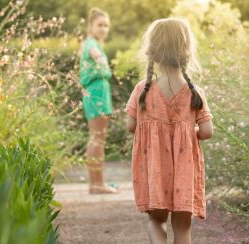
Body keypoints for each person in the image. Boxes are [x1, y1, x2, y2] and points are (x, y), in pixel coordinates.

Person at [124, 17, 214, 244]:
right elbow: (207, 131)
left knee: (156, 221)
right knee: (183, 227)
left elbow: (130, 126)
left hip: (155, 170)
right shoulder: (195, 92)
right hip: (184, 172)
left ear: (152, 53)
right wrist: (185, 134)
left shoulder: (142, 91)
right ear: (186, 52)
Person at [79, 7, 118, 194]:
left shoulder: (93, 42)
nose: (103, 28)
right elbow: (95, 53)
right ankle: (97, 185)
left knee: (98, 139)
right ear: (90, 26)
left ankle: (96, 184)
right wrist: (101, 59)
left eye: (106, 26)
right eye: (100, 25)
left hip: (99, 93)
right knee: (97, 140)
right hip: (96, 94)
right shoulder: (91, 43)